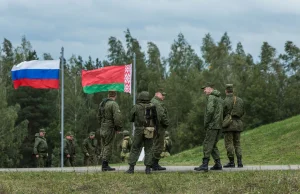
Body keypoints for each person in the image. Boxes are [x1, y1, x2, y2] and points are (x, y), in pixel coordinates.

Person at [126, 91, 158, 174]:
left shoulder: (136, 107)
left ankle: (131, 168)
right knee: (149, 148)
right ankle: (148, 169)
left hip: (139, 130)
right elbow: (156, 119)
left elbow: (130, 118)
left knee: (135, 148)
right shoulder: (152, 106)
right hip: (150, 129)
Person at [194, 82, 223, 172]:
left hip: (212, 125)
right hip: (219, 125)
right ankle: (218, 164)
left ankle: (205, 164)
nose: (204, 91)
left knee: (207, 144)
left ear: (210, 88)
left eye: (205, 89)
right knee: (213, 144)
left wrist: (206, 123)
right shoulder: (220, 98)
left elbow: (210, 111)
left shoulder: (211, 97)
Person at [97, 90, 123, 171]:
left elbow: (98, 116)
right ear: (115, 96)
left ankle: (103, 163)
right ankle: (105, 165)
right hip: (110, 127)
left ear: (108, 95)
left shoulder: (102, 103)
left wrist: (101, 124)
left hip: (102, 127)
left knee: (104, 145)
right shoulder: (113, 104)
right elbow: (117, 117)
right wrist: (118, 127)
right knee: (108, 145)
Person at [222, 84, 245, 168]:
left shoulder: (224, 101)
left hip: (228, 125)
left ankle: (231, 162)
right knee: (237, 144)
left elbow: (222, 113)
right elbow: (242, 112)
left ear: (226, 91)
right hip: (238, 124)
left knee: (229, 144)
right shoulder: (240, 100)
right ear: (233, 90)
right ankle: (240, 162)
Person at [151, 89, 170, 171]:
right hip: (158, 127)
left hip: (154, 126)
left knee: (155, 144)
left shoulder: (153, 101)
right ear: (157, 94)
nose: (164, 96)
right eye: (162, 94)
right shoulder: (157, 103)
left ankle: (152, 163)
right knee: (159, 145)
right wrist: (166, 123)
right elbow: (161, 115)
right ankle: (154, 164)